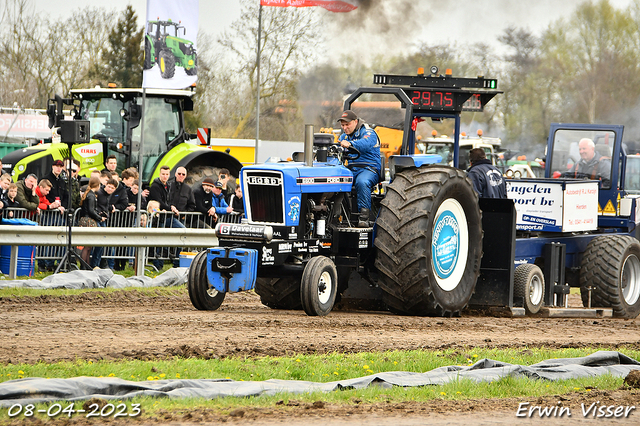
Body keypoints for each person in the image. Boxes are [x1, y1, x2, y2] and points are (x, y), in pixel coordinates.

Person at [337, 110, 382, 227]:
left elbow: (365, 143)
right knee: (335, 180)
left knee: (362, 182)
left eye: (347, 125)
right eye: (343, 125)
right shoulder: (344, 136)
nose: (345, 128)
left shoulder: (368, 132)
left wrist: (351, 145)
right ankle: (337, 214)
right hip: (351, 169)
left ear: (355, 122)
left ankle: (364, 218)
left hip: (369, 168)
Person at [78, 177, 105, 266]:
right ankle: (84, 265)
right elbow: (91, 211)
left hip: (85, 220)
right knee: (87, 246)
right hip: (89, 221)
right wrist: (100, 218)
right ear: (97, 185)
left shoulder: (88, 194)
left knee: (87, 246)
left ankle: (86, 265)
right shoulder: (91, 195)